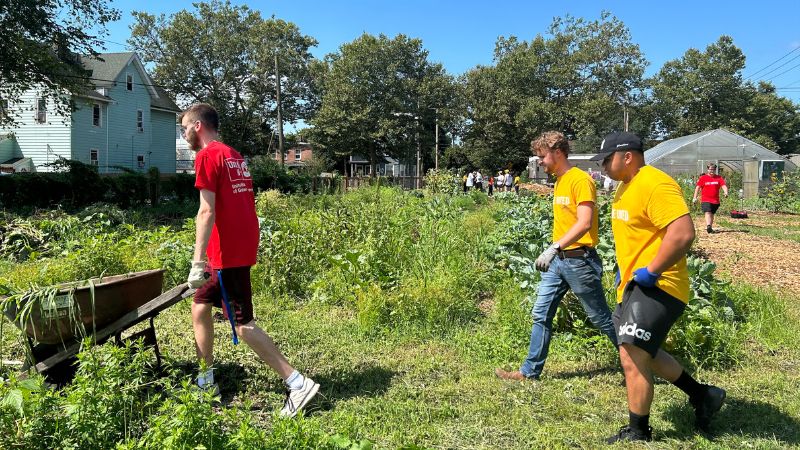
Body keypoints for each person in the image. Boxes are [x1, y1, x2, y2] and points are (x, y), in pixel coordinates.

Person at [183, 103, 319, 418]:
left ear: (199, 126)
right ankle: (206, 380)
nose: (185, 133)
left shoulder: (207, 156)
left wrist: (196, 262)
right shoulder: (233, 155)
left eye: (185, 127)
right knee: (201, 304)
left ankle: (297, 383)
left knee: (243, 325)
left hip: (228, 254)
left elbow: (206, 211)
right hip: (235, 248)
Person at [593, 132, 725, 443]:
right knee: (644, 352)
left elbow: (681, 234)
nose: (604, 166)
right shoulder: (625, 188)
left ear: (627, 156)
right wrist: (625, 272)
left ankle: (638, 431)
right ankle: (703, 394)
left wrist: (652, 271)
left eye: (606, 159)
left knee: (632, 353)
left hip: (660, 285)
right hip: (632, 285)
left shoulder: (656, 183)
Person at [495, 131, 617, 382]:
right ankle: (529, 372)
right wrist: (555, 251)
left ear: (558, 153)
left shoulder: (579, 181)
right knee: (541, 313)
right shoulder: (560, 180)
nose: (540, 161)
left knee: (601, 318)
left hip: (579, 260)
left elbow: (584, 223)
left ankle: (641, 363)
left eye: (542, 156)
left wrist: (554, 247)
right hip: (559, 261)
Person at [692, 163, 728, 233]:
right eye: (710, 169)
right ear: (708, 169)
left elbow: (723, 186)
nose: (712, 171)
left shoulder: (719, 178)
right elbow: (698, 187)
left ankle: (710, 227)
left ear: (715, 170)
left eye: (713, 169)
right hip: (705, 199)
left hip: (715, 201)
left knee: (711, 213)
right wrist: (695, 197)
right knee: (707, 212)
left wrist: (726, 192)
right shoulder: (703, 178)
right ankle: (708, 225)